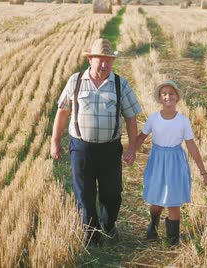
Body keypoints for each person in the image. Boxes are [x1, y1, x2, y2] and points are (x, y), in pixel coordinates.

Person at [51, 38, 142, 245]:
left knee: (112, 194)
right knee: (84, 194)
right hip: (81, 148)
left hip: (110, 150)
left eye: (108, 61)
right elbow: (63, 112)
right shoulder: (75, 80)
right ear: (90, 60)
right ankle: (92, 235)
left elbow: (131, 117)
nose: (104, 65)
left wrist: (132, 148)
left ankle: (109, 225)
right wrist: (55, 141)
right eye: (100, 60)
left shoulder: (120, 83)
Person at [133, 80, 207, 245]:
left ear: (177, 98)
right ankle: (153, 224)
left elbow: (191, 145)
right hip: (157, 160)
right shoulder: (153, 118)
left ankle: (172, 241)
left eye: (171, 94)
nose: (168, 96)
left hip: (175, 161)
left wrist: (203, 171)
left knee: (174, 203)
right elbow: (141, 137)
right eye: (164, 94)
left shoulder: (183, 120)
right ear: (160, 98)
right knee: (156, 202)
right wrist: (130, 151)